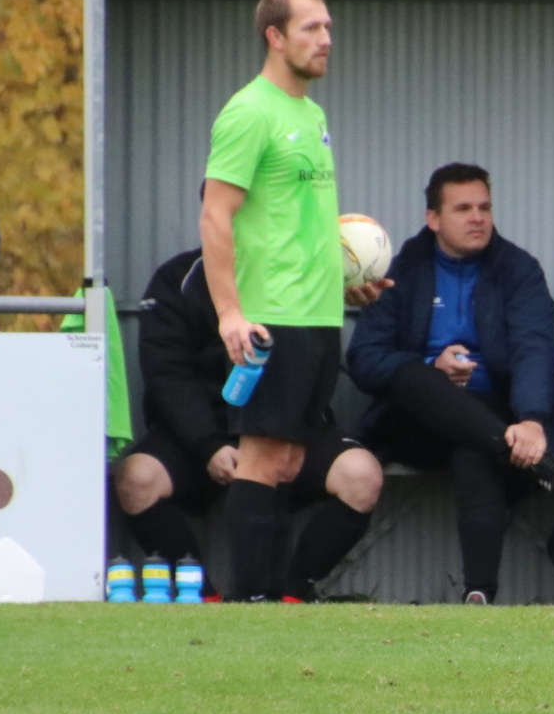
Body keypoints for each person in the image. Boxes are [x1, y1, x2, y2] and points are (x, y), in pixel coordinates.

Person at [199, 0, 389, 601]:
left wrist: (344, 284)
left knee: (284, 463)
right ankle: (250, 604)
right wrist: (230, 313)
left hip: (317, 317)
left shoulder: (312, 115)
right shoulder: (249, 111)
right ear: (274, 37)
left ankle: (275, 602)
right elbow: (215, 215)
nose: (326, 38)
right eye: (311, 28)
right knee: (259, 459)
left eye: (328, 27)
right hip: (270, 318)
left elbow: (297, 222)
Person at [346, 163, 554, 605]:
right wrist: (430, 367)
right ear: (433, 219)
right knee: (413, 374)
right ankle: (534, 461)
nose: (478, 218)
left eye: (484, 208)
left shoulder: (518, 269)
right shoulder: (402, 270)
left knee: (474, 449)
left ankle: (478, 595)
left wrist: (532, 420)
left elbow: (535, 349)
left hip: (501, 413)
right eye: (463, 209)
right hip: (417, 423)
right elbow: (364, 358)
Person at [115, 247, 382, 600]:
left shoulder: (297, 274)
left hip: (288, 425)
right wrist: (207, 445)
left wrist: (296, 436)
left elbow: (322, 359)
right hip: (201, 433)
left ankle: (293, 595)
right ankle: (202, 596)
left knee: (361, 475)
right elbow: (166, 373)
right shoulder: (178, 278)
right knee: (136, 479)